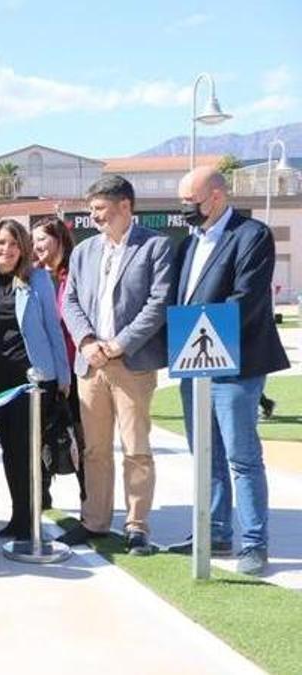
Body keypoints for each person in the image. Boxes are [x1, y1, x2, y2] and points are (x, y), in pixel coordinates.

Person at [165, 166, 289, 577]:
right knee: (206, 455)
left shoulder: (252, 236)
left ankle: (255, 543)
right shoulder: (188, 244)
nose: (186, 210)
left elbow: (246, 300)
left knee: (242, 457)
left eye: (192, 202)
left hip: (236, 367)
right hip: (192, 367)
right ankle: (214, 532)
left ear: (216, 196)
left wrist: (200, 333)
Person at [58, 177, 173, 556]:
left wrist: (119, 343)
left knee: (136, 448)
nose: (94, 219)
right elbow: (69, 300)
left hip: (132, 364)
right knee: (94, 450)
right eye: (91, 211)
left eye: (100, 211)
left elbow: (158, 304)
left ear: (125, 207)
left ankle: (137, 525)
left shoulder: (155, 247)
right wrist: (88, 341)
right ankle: (94, 521)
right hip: (90, 364)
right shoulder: (84, 251)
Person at [0, 219, 70, 540]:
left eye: (12, 243)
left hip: (33, 381)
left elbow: (54, 329)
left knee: (27, 448)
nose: (6, 250)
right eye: (0, 243)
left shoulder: (38, 280)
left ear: (22, 248)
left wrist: (62, 375)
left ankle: (29, 517)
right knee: (9, 450)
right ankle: (19, 515)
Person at [32, 217, 87, 505]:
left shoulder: (75, 273)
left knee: (78, 434)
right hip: (45, 370)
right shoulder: (33, 277)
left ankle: (88, 498)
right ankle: (42, 493)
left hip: (77, 367)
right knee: (40, 432)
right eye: (34, 241)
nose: (37, 246)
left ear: (60, 239)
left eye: (42, 239)